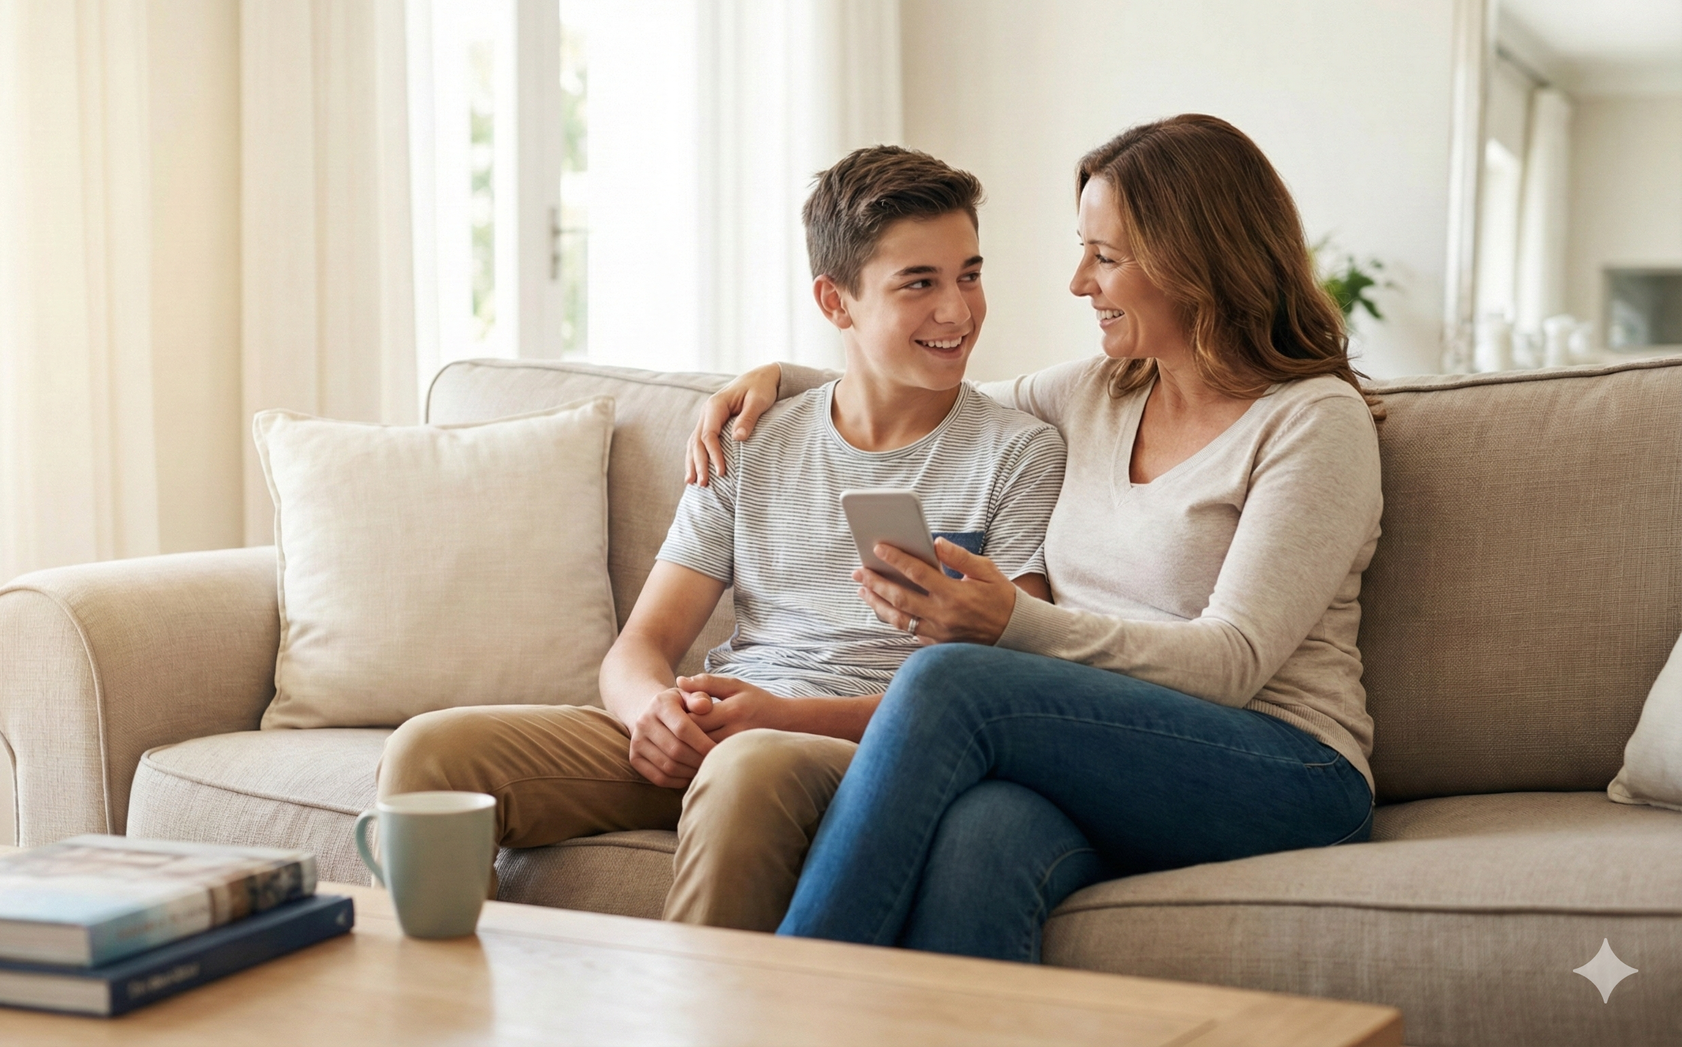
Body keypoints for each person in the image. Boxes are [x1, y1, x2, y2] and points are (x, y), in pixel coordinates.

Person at [686, 114, 1383, 961]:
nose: (1077, 282)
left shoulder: (1314, 421)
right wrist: (778, 379)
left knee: (952, 680)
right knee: (982, 835)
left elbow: (1232, 661)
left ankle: (783, 1000)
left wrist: (1009, 625)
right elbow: (929, 377)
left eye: (1106, 255)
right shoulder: (1096, 391)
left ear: (1198, 259)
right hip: (1101, 755)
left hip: (1280, 767)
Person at [378, 145, 1066, 932]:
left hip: (861, 748)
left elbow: (1010, 695)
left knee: (745, 763)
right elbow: (640, 646)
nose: (958, 310)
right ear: (834, 302)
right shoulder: (752, 437)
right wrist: (652, 714)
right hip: (728, 723)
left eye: (969, 275)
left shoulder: (1020, 452)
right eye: (921, 283)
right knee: (431, 753)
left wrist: (779, 717)